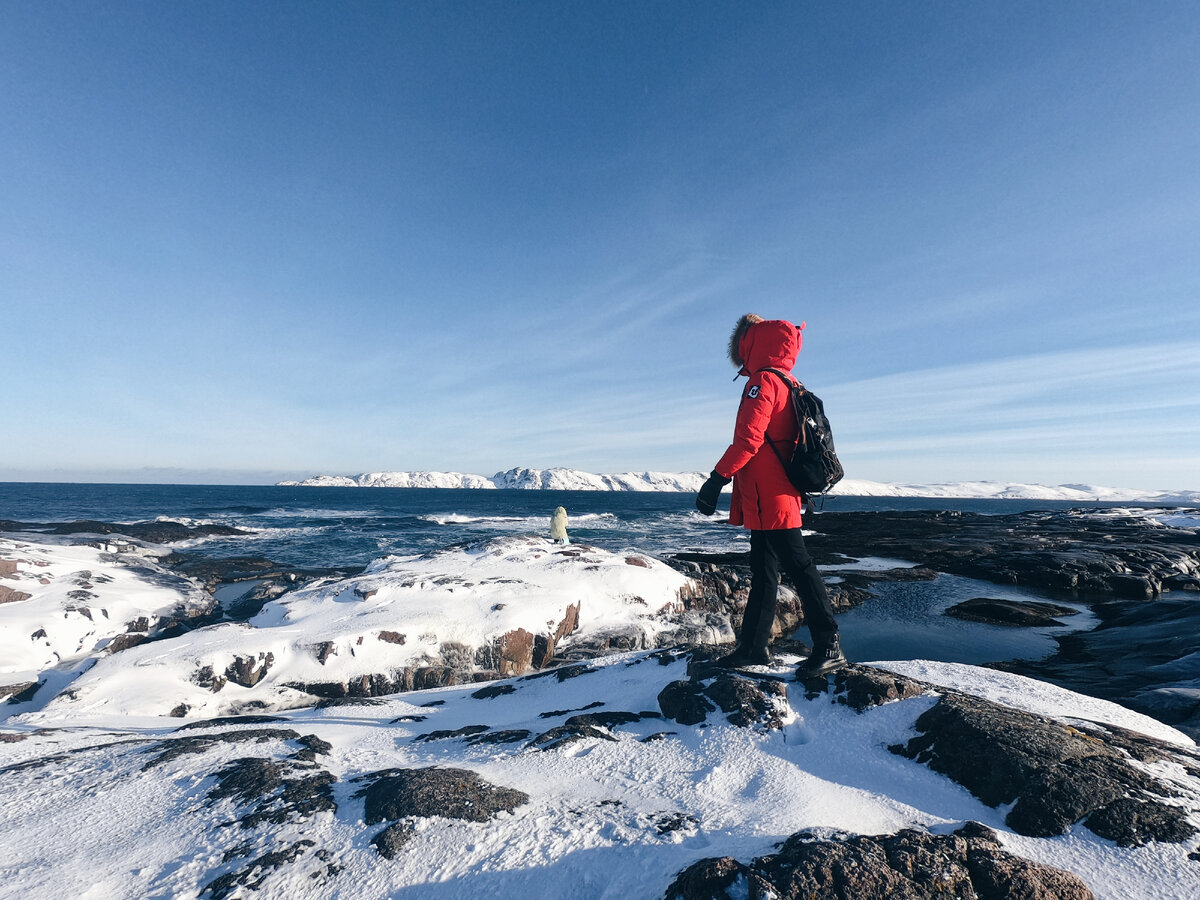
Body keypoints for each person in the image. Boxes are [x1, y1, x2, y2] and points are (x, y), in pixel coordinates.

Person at [695, 314, 845, 676]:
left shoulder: (762, 382)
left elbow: (748, 441)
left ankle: (829, 644)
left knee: (799, 566)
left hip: (769, 495)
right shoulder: (791, 382)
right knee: (764, 570)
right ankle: (753, 647)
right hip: (780, 492)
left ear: (750, 344)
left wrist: (716, 479)